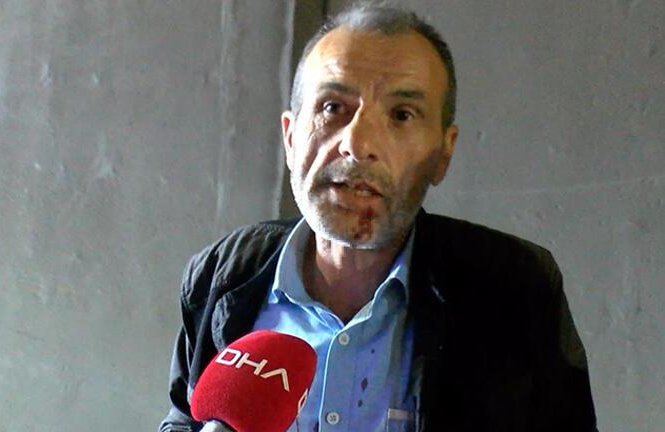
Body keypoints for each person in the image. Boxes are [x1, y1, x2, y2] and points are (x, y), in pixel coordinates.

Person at [160, 4, 597, 432]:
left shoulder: (515, 290)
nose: (358, 143)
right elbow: (184, 417)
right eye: (332, 107)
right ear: (290, 138)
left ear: (443, 154)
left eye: (401, 115)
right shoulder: (223, 273)